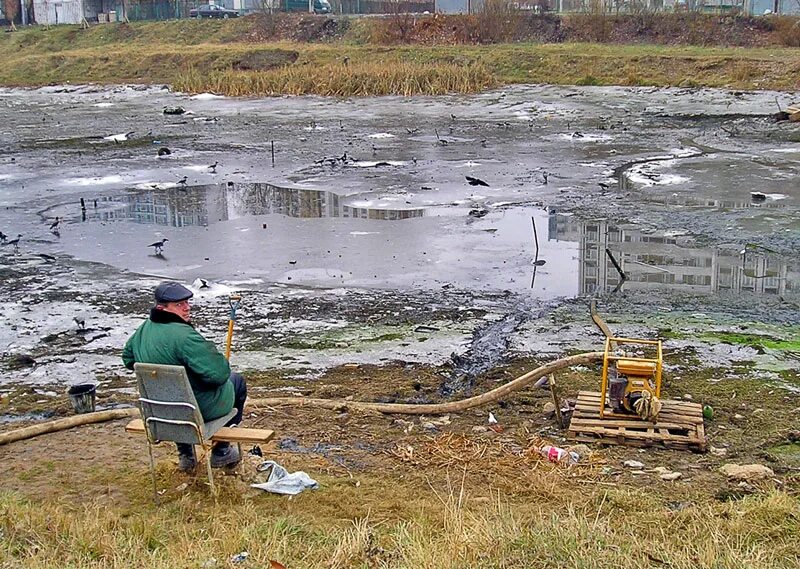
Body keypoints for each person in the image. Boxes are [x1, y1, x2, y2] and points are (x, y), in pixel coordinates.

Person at [122, 281, 247, 472]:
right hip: (194, 410)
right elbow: (219, 375)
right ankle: (222, 451)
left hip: (160, 412)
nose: (187, 308)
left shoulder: (143, 329)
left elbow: (128, 359)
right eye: (179, 305)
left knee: (180, 397)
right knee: (236, 381)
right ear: (161, 307)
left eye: (187, 302)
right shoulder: (185, 336)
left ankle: (186, 455)